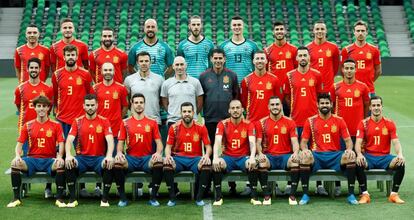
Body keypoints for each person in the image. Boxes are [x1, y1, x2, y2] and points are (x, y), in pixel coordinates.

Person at [299, 93, 358, 205]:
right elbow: (303, 142)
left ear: (331, 104)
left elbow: (348, 141)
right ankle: (305, 194)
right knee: (305, 158)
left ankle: (351, 194)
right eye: (322, 103)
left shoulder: (339, 120)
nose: (324, 105)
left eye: (327, 103)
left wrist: (349, 149)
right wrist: (305, 150)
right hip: (317, 155)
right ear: (317, 105)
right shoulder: (310, 121)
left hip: (335, 155)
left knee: (351, 157)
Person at [7, 96, 66, 208]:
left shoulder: (56, 125)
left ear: (48, 108)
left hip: (49, 160)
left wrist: (59, 156)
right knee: (15, 163)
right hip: (32, 160)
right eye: (39, 106)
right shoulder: (28, 125)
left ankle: (59, 198)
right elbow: (19, 145)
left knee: (61, 163)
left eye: (44, 106)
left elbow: (61, 143)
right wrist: (17, 156)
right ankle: (16, 198)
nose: (41, 109)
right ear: (34, 108)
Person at [113, 93, 164, 207]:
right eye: (136, 103)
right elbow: (120, 142)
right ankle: (123, 198)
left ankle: (153, 197)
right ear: (132, 104)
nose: (139, 105)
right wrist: (119, 153)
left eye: (141, 102)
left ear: (144, 104)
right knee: (117, 163)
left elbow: (159, 143)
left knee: (159, 163)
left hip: (147, 159)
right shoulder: (125, 122)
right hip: (131, 159)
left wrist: (158, 153)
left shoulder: (152, 122)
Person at [64, 94, 115, 207]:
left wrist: (109, 155)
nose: (90, 107)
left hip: (98, 158)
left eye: (92, 105)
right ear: (83, 106)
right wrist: (68, 155)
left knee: (109, 164)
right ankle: (72, 199)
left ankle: (104, 199)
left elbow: (110, 140)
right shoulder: (77, 121)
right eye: (88, 105)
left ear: (97, 105)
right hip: (82, 158)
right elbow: (69, 140)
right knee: (69, 163)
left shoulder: (104, 121)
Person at [328, 59, 369, 196]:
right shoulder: (335, 87)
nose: (349, 70)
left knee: (358, 159)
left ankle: (359, 186)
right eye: (347, 68)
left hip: (358, 132)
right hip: (340, 131)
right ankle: (338, 186)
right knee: (339, 158)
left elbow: (366, 106)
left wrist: (362, 124)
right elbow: (331, 107)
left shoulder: (363, 87)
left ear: (355, 69)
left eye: (352, 68)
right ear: (342, 70)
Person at [355, 96, 406, 204]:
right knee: (358, 162)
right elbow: (358, 143)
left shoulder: (389, 123)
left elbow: (396, 142)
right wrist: (359, 154)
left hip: (385, 158)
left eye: (378, 105)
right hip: (369, 157)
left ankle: (394, 194)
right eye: (373, 105)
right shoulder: (363, 123)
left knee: (401, 163)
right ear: (370, 107)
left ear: (382, 107)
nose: (376, 108)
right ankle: (365, 194)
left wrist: (400, 154)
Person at [163, 102, 212, 206]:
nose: (187, 114)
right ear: (181, 113)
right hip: (178, 158)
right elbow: (168, 147)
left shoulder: (201, 127)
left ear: (193, 113)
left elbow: (208, 147)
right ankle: (172, 198)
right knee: (167, 165)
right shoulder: (174, 127)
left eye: (189, 111)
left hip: (195, 159)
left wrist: (207, 156)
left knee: (206, 165)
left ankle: (199, 198)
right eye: (184, 111)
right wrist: (168, 156)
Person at [211, 100, 259, 206]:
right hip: (228, 157)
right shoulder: (222, 124)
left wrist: (252, 157)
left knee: (253, 163)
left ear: (242, 110)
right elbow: (217, 141)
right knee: (217, 164)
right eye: (233, 108)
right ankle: (218, 197)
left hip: (243, 157)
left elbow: (252, 142)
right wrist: (215, 157)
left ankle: (254, 196)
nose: (235, 110)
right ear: (229, 110)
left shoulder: (249, 124)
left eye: (238, 108)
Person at [256, 96, 300, 205]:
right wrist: (260, 153)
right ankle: (266, 195)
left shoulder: (290, 122)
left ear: (281, 106)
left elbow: (295, 142)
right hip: (269, 156)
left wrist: (295, 153)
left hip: (285, 156)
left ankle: (292, 195)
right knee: (261, 162)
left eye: (277, 104)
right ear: (268, 107)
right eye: (272, 105)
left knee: (295, 162)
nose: (275, 107)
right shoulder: (261, 123)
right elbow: (258, 142)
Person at [199, 48, 239, 145]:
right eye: (215, 58)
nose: (218, 61)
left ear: (224, 59)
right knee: (210, 145)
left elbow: (236, 96)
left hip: (227, 118)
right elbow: (201, 97)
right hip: (210, 118)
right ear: (211, 59)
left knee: (228, 146)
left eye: (220, 58)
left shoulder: (232, 75)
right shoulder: (203, 76)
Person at [52, 44, 92, 138]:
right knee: (62, 150)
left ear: (77, 57)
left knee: (81, 150)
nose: (71, 57)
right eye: (68, 55)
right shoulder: (57, 75)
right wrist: (56, 110)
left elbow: (89, 95)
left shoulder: (85, 74)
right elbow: (55, 94)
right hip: (62, 118)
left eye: (73, 55)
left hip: (80, 118)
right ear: (64, 57)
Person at [264, 20, 297, 116]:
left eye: (281, 29)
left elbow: (296, 70)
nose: (279, 31)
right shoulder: (267, 51)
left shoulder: (293, 50)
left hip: (290, 91)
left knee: (290, 118)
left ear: (285, 31)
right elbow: (265, 72)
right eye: (277, 29)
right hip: (274, 91)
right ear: (273, 32)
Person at [93, 62, 128, 148]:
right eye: (105, 70)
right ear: (101, 72)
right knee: (100, 157)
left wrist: (118, 117)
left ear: (114, 71)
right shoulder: (95, 88)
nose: (108, 72)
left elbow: (125, 106)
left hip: (115, 128)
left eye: (110, 70)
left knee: (115, 157)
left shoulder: (121, 88)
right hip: (99, 128)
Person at [341, 20, 381, 96]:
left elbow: (378, 70)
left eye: (363, 31)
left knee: (370, 108)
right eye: (358, 31)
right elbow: (342, 70)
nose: (360, 33)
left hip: (369, 89)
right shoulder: (346, 50)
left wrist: (370, 81)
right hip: (352, 88)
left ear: (366, 32)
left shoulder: (374, 50)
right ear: (354, 32)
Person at [161, 56, 204, 127]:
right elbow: (164, 102)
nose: (179, 67)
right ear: (173, 66)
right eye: (177, 65)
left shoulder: (195, 82)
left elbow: (200, 102)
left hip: (191, 121)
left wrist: (192, 114)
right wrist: (172, 112)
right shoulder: (166, 83)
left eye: (182, 64)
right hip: (173, 121)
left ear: (186, 66)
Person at [241, 51, 282, 122]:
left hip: (270, 122)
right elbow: (244, 102)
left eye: (262, 58)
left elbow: (279, 99)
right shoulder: (246, 80)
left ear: (266, 61)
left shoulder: (274, 79)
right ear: (253, 61)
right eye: (257, 59)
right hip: (252, 121)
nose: (260, 61)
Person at [124, 51, 164, 126]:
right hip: (135, 121)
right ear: (137, 63)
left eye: (146, 61)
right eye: (141, 61)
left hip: (154, 120)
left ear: (150, 62)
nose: (144, 63)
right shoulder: (129, 79)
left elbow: (162, 100)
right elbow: (127, 101)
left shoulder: (159, 79)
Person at [220, 16, 259, 83]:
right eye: (234, 25)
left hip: (248, 83)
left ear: (243, 26)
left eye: (239, 25)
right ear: (231, 27)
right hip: (229, 84)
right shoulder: (223, 46)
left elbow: (257, 65)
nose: (237, 27)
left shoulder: (253, 45)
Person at [307, 21, 340, 93]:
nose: (320, 31)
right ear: (313, 31)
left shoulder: (333, 47)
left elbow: (336, 67)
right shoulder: (308, 48)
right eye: (317, 29)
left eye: (322, 29)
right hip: (313, 85)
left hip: (328, 86)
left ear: (326, 31)